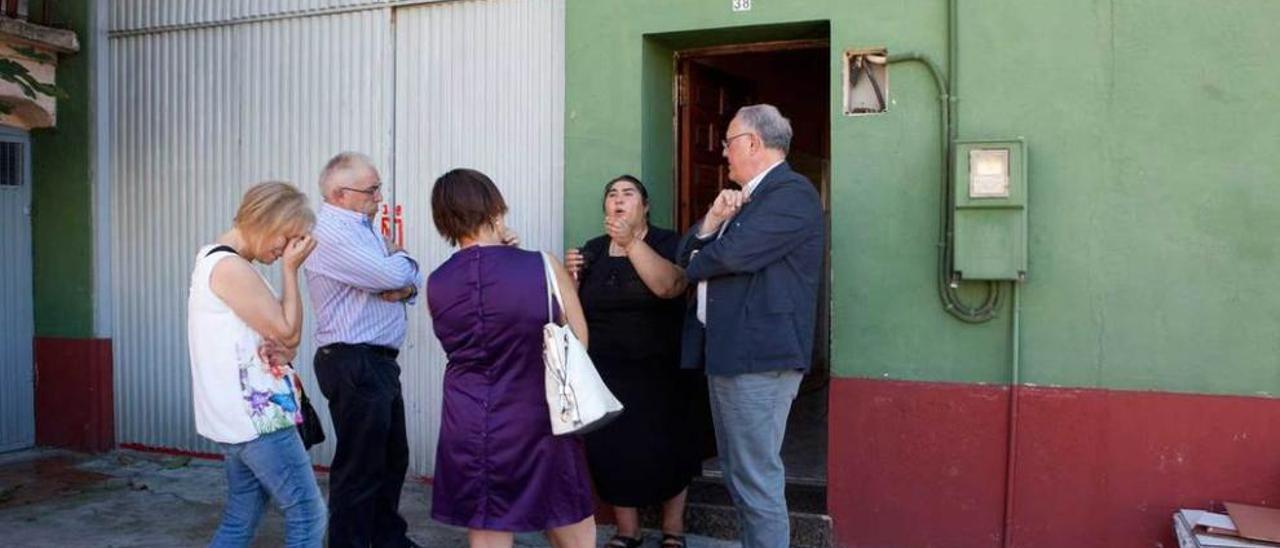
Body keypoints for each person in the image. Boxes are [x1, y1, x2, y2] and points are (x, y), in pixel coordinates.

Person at [676, 104, 825, 548]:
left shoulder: (791, 194)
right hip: (731, 354)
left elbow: (730, 256)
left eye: (728, 142)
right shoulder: (746, 201)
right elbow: (688, 252)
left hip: (759, 358)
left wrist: (704, 255)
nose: (723, 152)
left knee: (755, 479)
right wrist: (715, 219)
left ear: (754, 143)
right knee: (741, 476)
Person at [426, 168, 596, 548]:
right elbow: (578, 341)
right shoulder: (542, 265)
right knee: (571, 522)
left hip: (468, 418)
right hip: (538, 414)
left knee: (487, 526)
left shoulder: (436, 281)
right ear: (494, 208)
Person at [564, 175, 705, 548]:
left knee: (669, 445)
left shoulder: (669, 243)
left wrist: (630, 243)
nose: (619, 199)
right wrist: (571, 280)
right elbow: (570, 315)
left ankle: (673, 530)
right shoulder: (592, 251)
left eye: (628, 194)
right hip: (607, 370)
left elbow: (667, 287)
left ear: (644, 206)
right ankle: (629, 531)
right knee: (613, 449)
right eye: (612, 194)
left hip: (662, 369)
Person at [187, 181, 325, 547]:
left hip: (239, 419)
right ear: (268, 220)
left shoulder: (220, 262)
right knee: (308, 514)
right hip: (256, 421)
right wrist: (292, 273)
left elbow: (283, 340)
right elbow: (289, 333)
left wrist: (280, 343)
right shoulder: (230, 267)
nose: (286, 250)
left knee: (241, 516)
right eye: (288, 238)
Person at [303, 152, 422, 548]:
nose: (380, 197)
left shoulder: (362, 228)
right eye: (372, 190)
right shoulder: (332, 232)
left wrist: (404, 278)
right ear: (339, 194)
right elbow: (394, 272)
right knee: (361, 466)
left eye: (379, 188)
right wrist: (401, 263)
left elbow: (407, 279)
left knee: (390, 459)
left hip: (374, 363)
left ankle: (388, 540)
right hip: (354, 360)